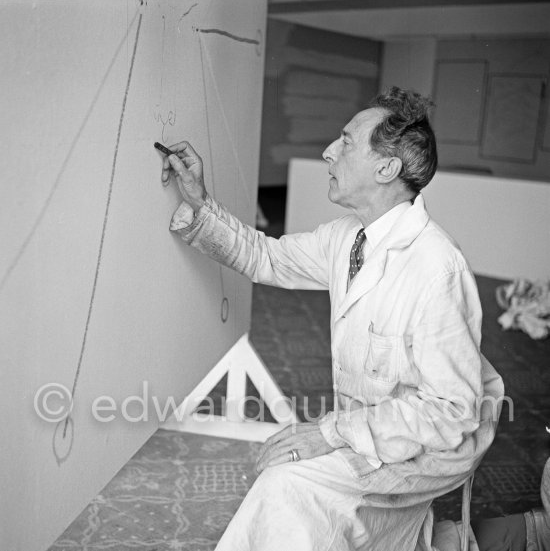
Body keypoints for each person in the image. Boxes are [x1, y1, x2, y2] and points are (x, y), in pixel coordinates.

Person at [162, 87, 505, 550]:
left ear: (387, 168)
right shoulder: (348, 238)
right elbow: (267, 257)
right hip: (380, 423)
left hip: (439, 441)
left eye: (345, 142)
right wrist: (200, 201)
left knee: (287, 486)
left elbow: (450, 413)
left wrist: (331, 433)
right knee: (310, 495)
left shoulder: (436, 268)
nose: (328, 152)